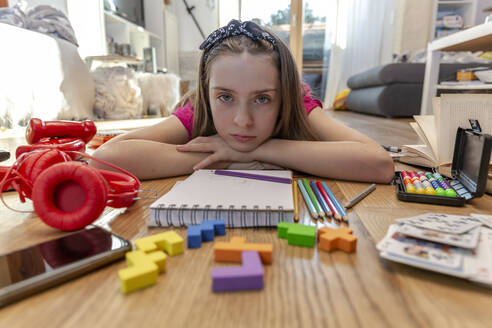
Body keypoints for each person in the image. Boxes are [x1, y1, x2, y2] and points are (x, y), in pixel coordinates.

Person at [91, 20, 394, 183]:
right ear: (207, 92)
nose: (242, 121)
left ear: (284, 94)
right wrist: (223, 157)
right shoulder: (199, 109)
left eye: (262, 99)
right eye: (225, 97)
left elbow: (379, 165)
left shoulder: (298, 102)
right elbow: (107, 157)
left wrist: (264, 149)